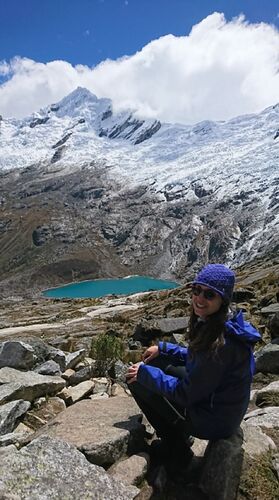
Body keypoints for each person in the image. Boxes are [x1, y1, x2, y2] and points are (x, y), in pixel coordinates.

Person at [126, 264, 261, 470]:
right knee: (157, 362)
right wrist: (164, 348)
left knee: (137, 380)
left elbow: (185, 394)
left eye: (209, 294)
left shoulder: (221, 345)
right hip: (218, 405)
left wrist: (145, 374)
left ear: (222, 300)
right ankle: (180, 433)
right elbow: (197, 359)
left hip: (215, 421)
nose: (199, 298)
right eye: (196, 290)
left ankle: (178, 451)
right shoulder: (220, 322)